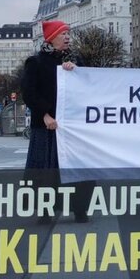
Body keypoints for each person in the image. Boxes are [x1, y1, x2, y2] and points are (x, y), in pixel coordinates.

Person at [21, 20, 87, 220]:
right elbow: (29, 93)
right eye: (62, 33)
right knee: (45, 168)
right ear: (51, 37)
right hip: (47, 127)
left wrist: (76, 71)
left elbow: (87, 85)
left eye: (68, 33)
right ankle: (45, 210)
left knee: (75, 167)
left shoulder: (77, 61)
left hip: (71, 127)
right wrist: (45, 114)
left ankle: (80, 208)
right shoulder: (36, 62)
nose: (67, 37)